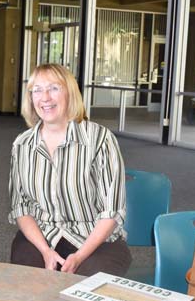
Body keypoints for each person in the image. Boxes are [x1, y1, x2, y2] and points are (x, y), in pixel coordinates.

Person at [8, 63, 132, 276]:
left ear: (70, 93)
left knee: (88, 285)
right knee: (27, 279)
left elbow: (111, 212)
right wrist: (45, 250)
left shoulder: (100, 139)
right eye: (37, 90)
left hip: (95, 240)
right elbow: (21, 208)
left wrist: (80, 256)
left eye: (54, 88)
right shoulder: (22, 144)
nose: (45, 97)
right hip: (43, 235)